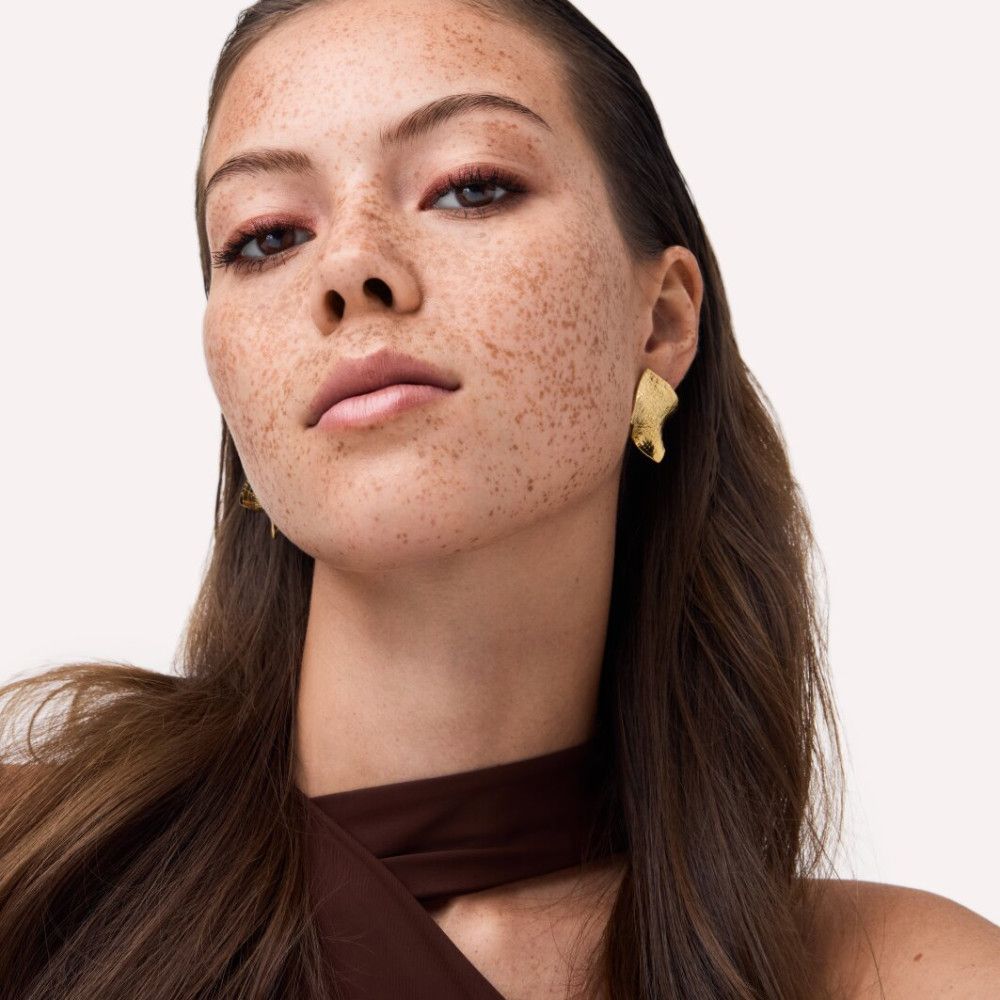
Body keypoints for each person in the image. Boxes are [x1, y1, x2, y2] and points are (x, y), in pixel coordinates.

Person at [1, 0, 998, 997]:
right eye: (264, 237)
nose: (348, 266)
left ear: (658, 323)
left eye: (470, 186)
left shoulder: (898, 975)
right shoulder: (28, 871)